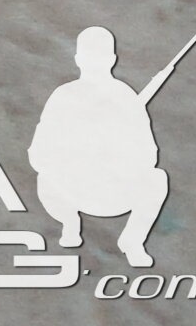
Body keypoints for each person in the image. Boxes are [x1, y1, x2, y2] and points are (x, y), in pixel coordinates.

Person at [28, 26, 174, 268]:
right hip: (72, 191)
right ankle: (70, 224)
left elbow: (148, 157)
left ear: (78, 59)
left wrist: (116, 149)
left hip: (115, 192)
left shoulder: (126, 99)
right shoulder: (65, 97)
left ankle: (132, 241)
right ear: (112, 59)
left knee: (157, 179)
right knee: (45, 178)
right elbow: (39, 155)